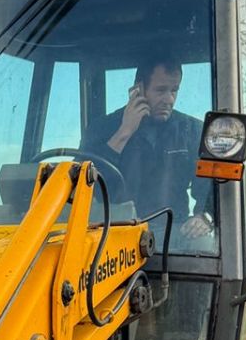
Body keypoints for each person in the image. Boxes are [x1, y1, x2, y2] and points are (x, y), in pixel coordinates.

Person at [84, 57, 213, 240]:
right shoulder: (103, 129)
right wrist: (124, 131)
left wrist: (206, 216)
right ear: (139, 90)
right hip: (113, 235)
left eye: (174, 90)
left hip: (174, 238)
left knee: (204, 244)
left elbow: (210, 187)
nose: (169, 99)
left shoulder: (191, 131)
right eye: (161, 90)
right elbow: (87, 189)